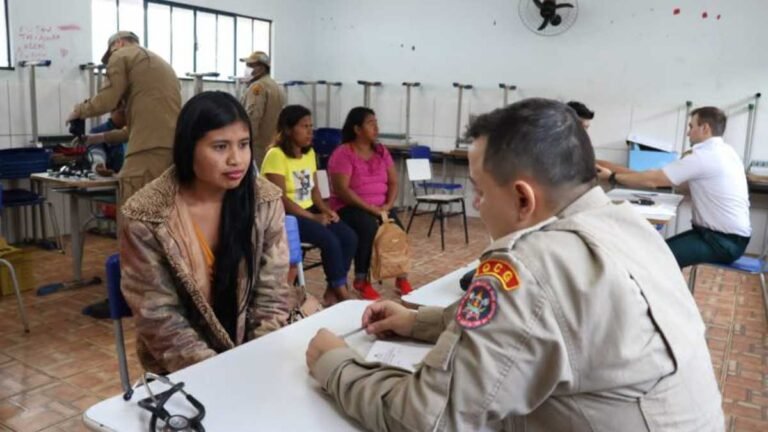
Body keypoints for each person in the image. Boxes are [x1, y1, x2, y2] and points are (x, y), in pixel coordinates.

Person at [306, 98, 724, 431]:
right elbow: (536, 322)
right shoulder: (631, 227)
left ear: (523, 199)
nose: (476, 204)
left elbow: (425, 418)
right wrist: (419, 322)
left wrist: (336, 363)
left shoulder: (531, 266)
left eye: (480, 191)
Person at [120, 91, 293, 374]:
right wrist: (218, 374)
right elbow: (159, 318)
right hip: (182, 369)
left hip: (254, 358)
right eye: (220, 147)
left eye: (244, 144)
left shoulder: (264, 201)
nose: (236, 159)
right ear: (189, 147)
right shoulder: (147, 217)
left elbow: (271, 296)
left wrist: (257, 361)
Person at [596, 106, 751, 268]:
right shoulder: (726, 152)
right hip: (722, 237)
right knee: (657, 250)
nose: (688, 133)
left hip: (721, 242)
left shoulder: (704, 156)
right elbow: (666, 181)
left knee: (654, 261)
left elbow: (653, 181)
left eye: (691, 126)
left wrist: (612, 177)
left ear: (705, 128)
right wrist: (636, 175)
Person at [67, 30, 181, 211]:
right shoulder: (163, 66)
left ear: (119, 43)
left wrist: (79, 111)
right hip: (172, 154)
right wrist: (97, 138)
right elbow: (139, 128)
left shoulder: (121, 55)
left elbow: (107, 100)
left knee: (133, 216)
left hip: (145, 156)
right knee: (163, 215)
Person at [261, 105, 358, 305]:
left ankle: (332, 289)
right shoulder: (275, 155)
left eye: (311, 126)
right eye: (304, 126)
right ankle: (342, 292)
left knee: (349, 237)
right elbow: (281, 199)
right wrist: (313, 218)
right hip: (286, 216)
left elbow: (314, 191)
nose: (310, 132)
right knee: (330, 240)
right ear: (288, 129)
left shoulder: (310, 153)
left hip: (309, 210)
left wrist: (326, 210)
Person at [327, 107, 412, 300]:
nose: (376, 127)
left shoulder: (381, 151)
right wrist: (370, 209)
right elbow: (342, 190)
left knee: (398, 230)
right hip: (349, 207)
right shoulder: (344, 153)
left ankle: (401, 277)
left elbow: (393, 182)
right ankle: (361, 280)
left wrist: (388, 205)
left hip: (380, 207)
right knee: (368, 227)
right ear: (357, 129)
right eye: (370, 123)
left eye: (376, 123)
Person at [239, 51, 286, 167]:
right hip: (273, 143)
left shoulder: (258, 87)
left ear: (262, 68)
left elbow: (253, 117)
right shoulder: (276, 86)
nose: (247, 69)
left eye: (251, 66)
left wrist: (244, 142)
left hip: (258, 145)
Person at [84, 103, 128, 177]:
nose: (126, 117)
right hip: (113, 178)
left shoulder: (137, 131)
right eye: (122, 113)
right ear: (112, 111)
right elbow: (96, 150)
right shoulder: (98, 131)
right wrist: (98, 163)